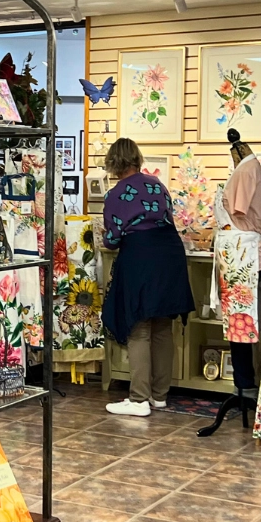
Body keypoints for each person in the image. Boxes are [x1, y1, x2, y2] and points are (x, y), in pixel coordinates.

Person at [100, 137, 195, 417]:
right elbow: (169, 220)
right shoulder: (158, 185)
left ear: (114, 162)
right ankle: (159, 395)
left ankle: (139, 399)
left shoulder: (116, 194)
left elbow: (112, 239)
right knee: (163, 326)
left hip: (141, 256)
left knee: (139, 327)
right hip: (170, 253)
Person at [221, 128, 261, 422]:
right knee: (241, 325)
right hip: (245, 253)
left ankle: (245, 385)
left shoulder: (246, 170)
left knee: (241, 326)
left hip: (244, 255)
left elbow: (237, 210)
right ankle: (244, 384)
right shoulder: (251, 167)